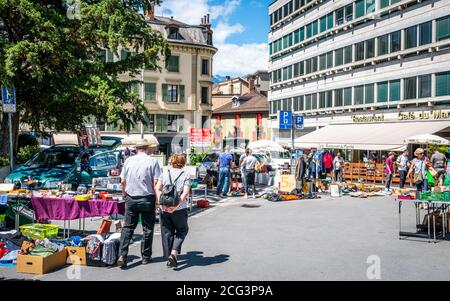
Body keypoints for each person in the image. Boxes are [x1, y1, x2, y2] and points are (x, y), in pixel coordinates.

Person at [117, 139, 161, 268]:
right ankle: (145, 257)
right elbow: (156, 181)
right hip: (147, 198)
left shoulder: (129, 161)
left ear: (137, 149)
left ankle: (122, 255)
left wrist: (124, 194)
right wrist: (157, 200)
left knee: (128, 228)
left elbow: (122, 181)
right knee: (147, 228)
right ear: (147, 148)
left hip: (131, 198)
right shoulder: (152, 161)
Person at [155, 154, 191, 268]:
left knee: (167, 232)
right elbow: (185, 192)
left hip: (164, 208)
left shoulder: (165, 172)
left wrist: (161, 203)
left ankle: (169, 256)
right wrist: (176, 206)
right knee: (182, 230)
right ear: (183, 162)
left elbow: (157, 188)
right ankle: (173, 253)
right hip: (179, 209)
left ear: (172, 161)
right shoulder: (185, 174)